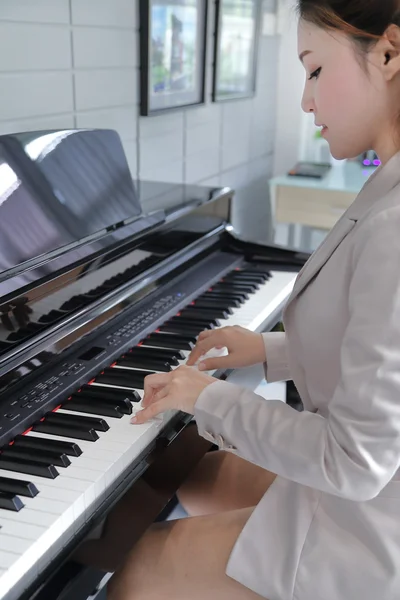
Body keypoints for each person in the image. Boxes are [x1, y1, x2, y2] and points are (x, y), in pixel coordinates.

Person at [107, 1, 400, 598]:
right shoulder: (387, 183)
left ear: (390, 53)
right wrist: (267, 351)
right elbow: (377, 343)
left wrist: (207, 397)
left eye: (315, 70)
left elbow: (355, 462)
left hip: (374, 528)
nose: (305, 100)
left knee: (135, 568)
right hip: (372, 488)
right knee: (194, 471)